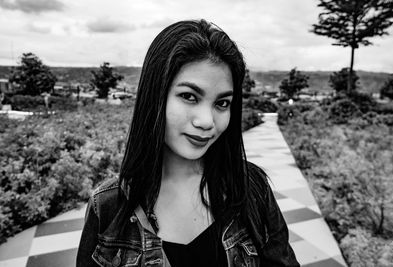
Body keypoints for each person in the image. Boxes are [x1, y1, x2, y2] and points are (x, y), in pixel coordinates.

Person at [77, 19, 299, 267]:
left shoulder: (250, 189)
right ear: (156, 96)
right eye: (189, 96)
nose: (207, 121)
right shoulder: (108, 207)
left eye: (222, 103)